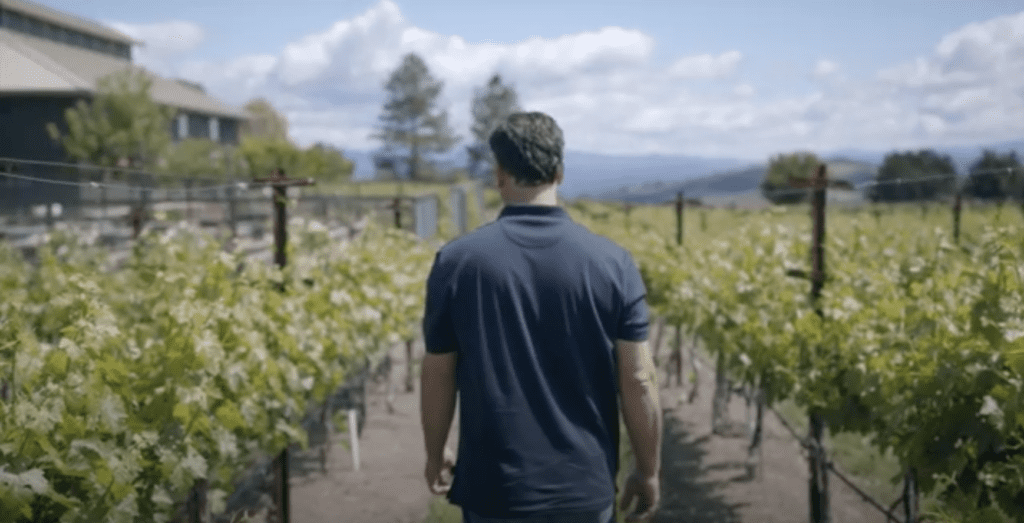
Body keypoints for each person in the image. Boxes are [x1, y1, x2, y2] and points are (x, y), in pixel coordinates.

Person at [420, 112, 662, 523]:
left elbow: (439, 371)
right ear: (560, 173)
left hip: (494, 491)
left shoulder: (457, 263)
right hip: (584, 488)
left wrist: (435, 450)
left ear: (499, 175)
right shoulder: (614, 264)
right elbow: (638, 377)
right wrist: (648, 469)